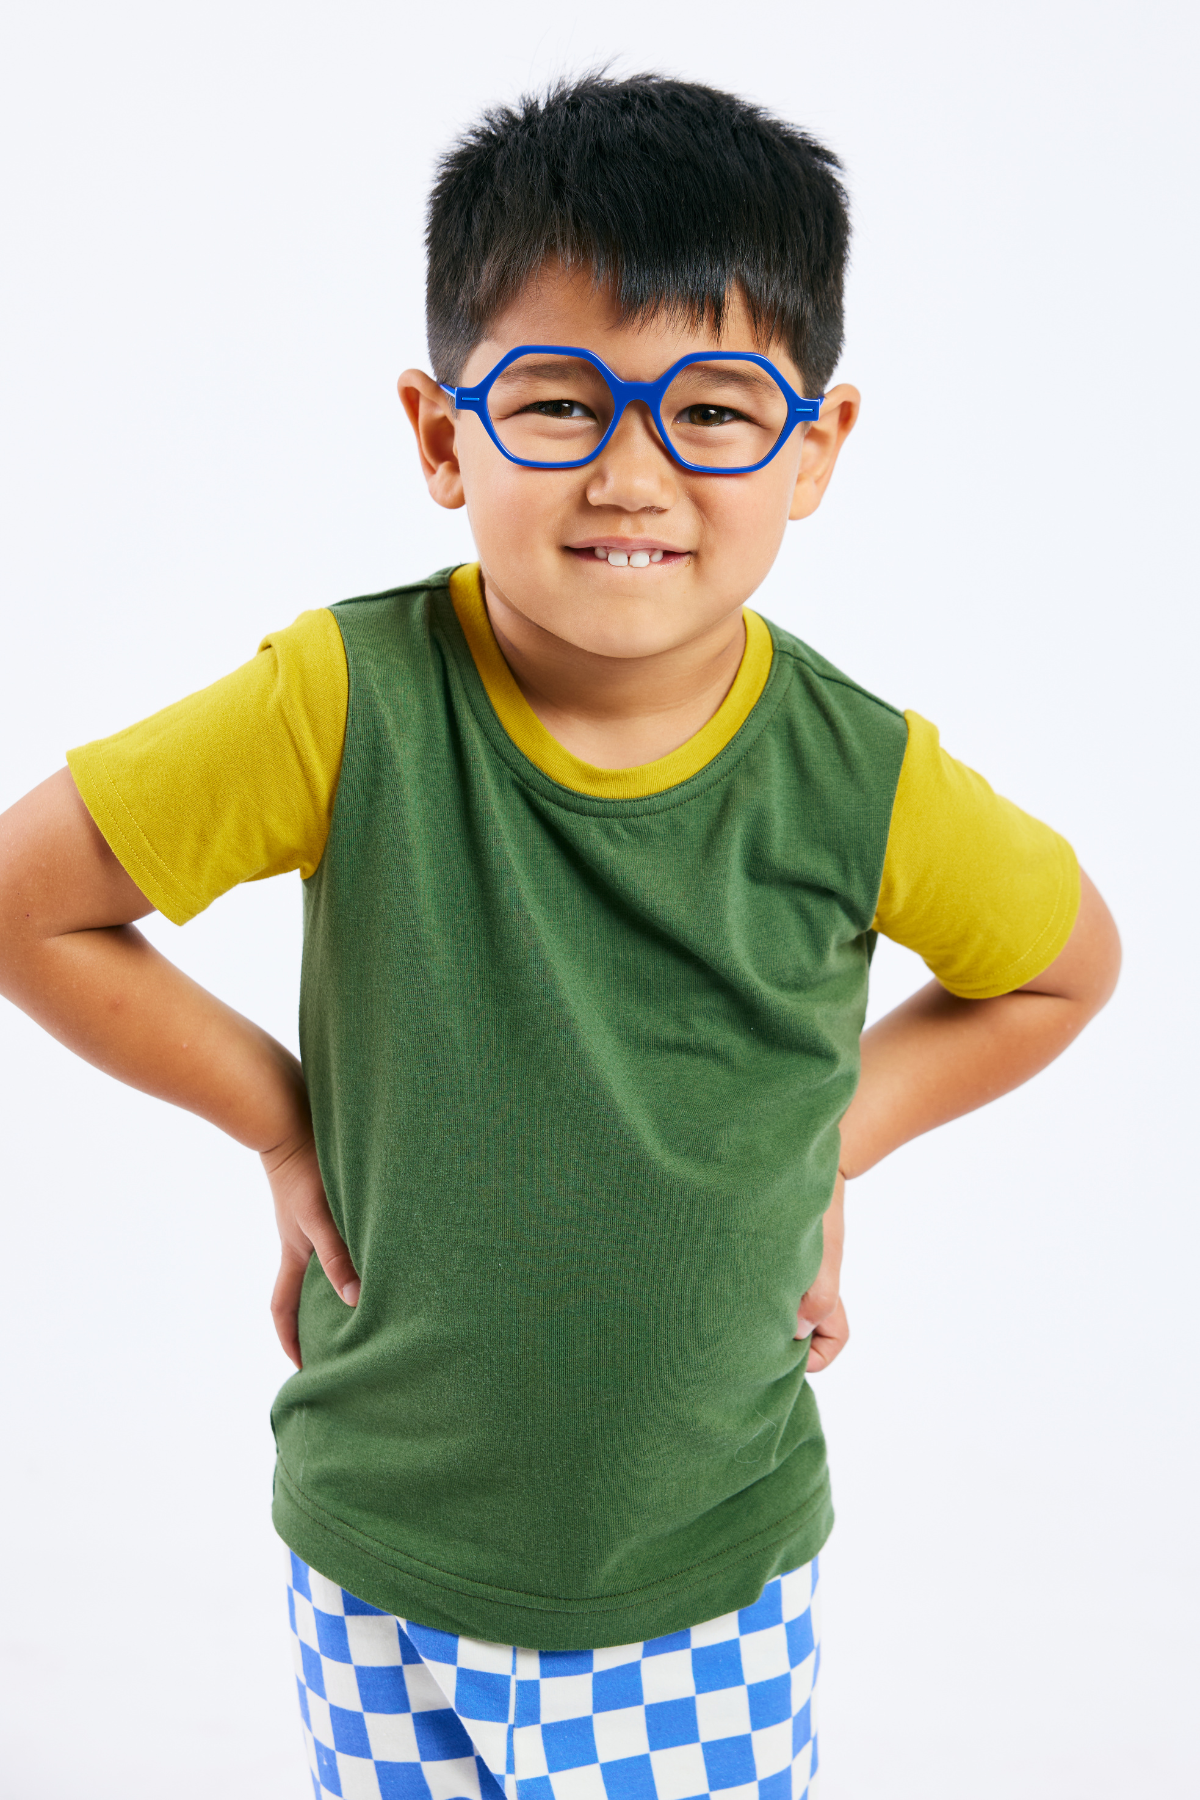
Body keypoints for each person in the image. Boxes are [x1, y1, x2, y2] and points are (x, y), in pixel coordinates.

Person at [0, 73, 1119, 1800]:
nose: (630, 472)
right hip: (378, 1557)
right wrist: (284, 1121)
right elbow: (28, 900)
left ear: (815, 448)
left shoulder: (858, 775)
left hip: (702, 1582)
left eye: (715, 409)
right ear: (441, 433)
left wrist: (835, 1145)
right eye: (557, 401)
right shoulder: (342, 703)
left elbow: (1062, 967)